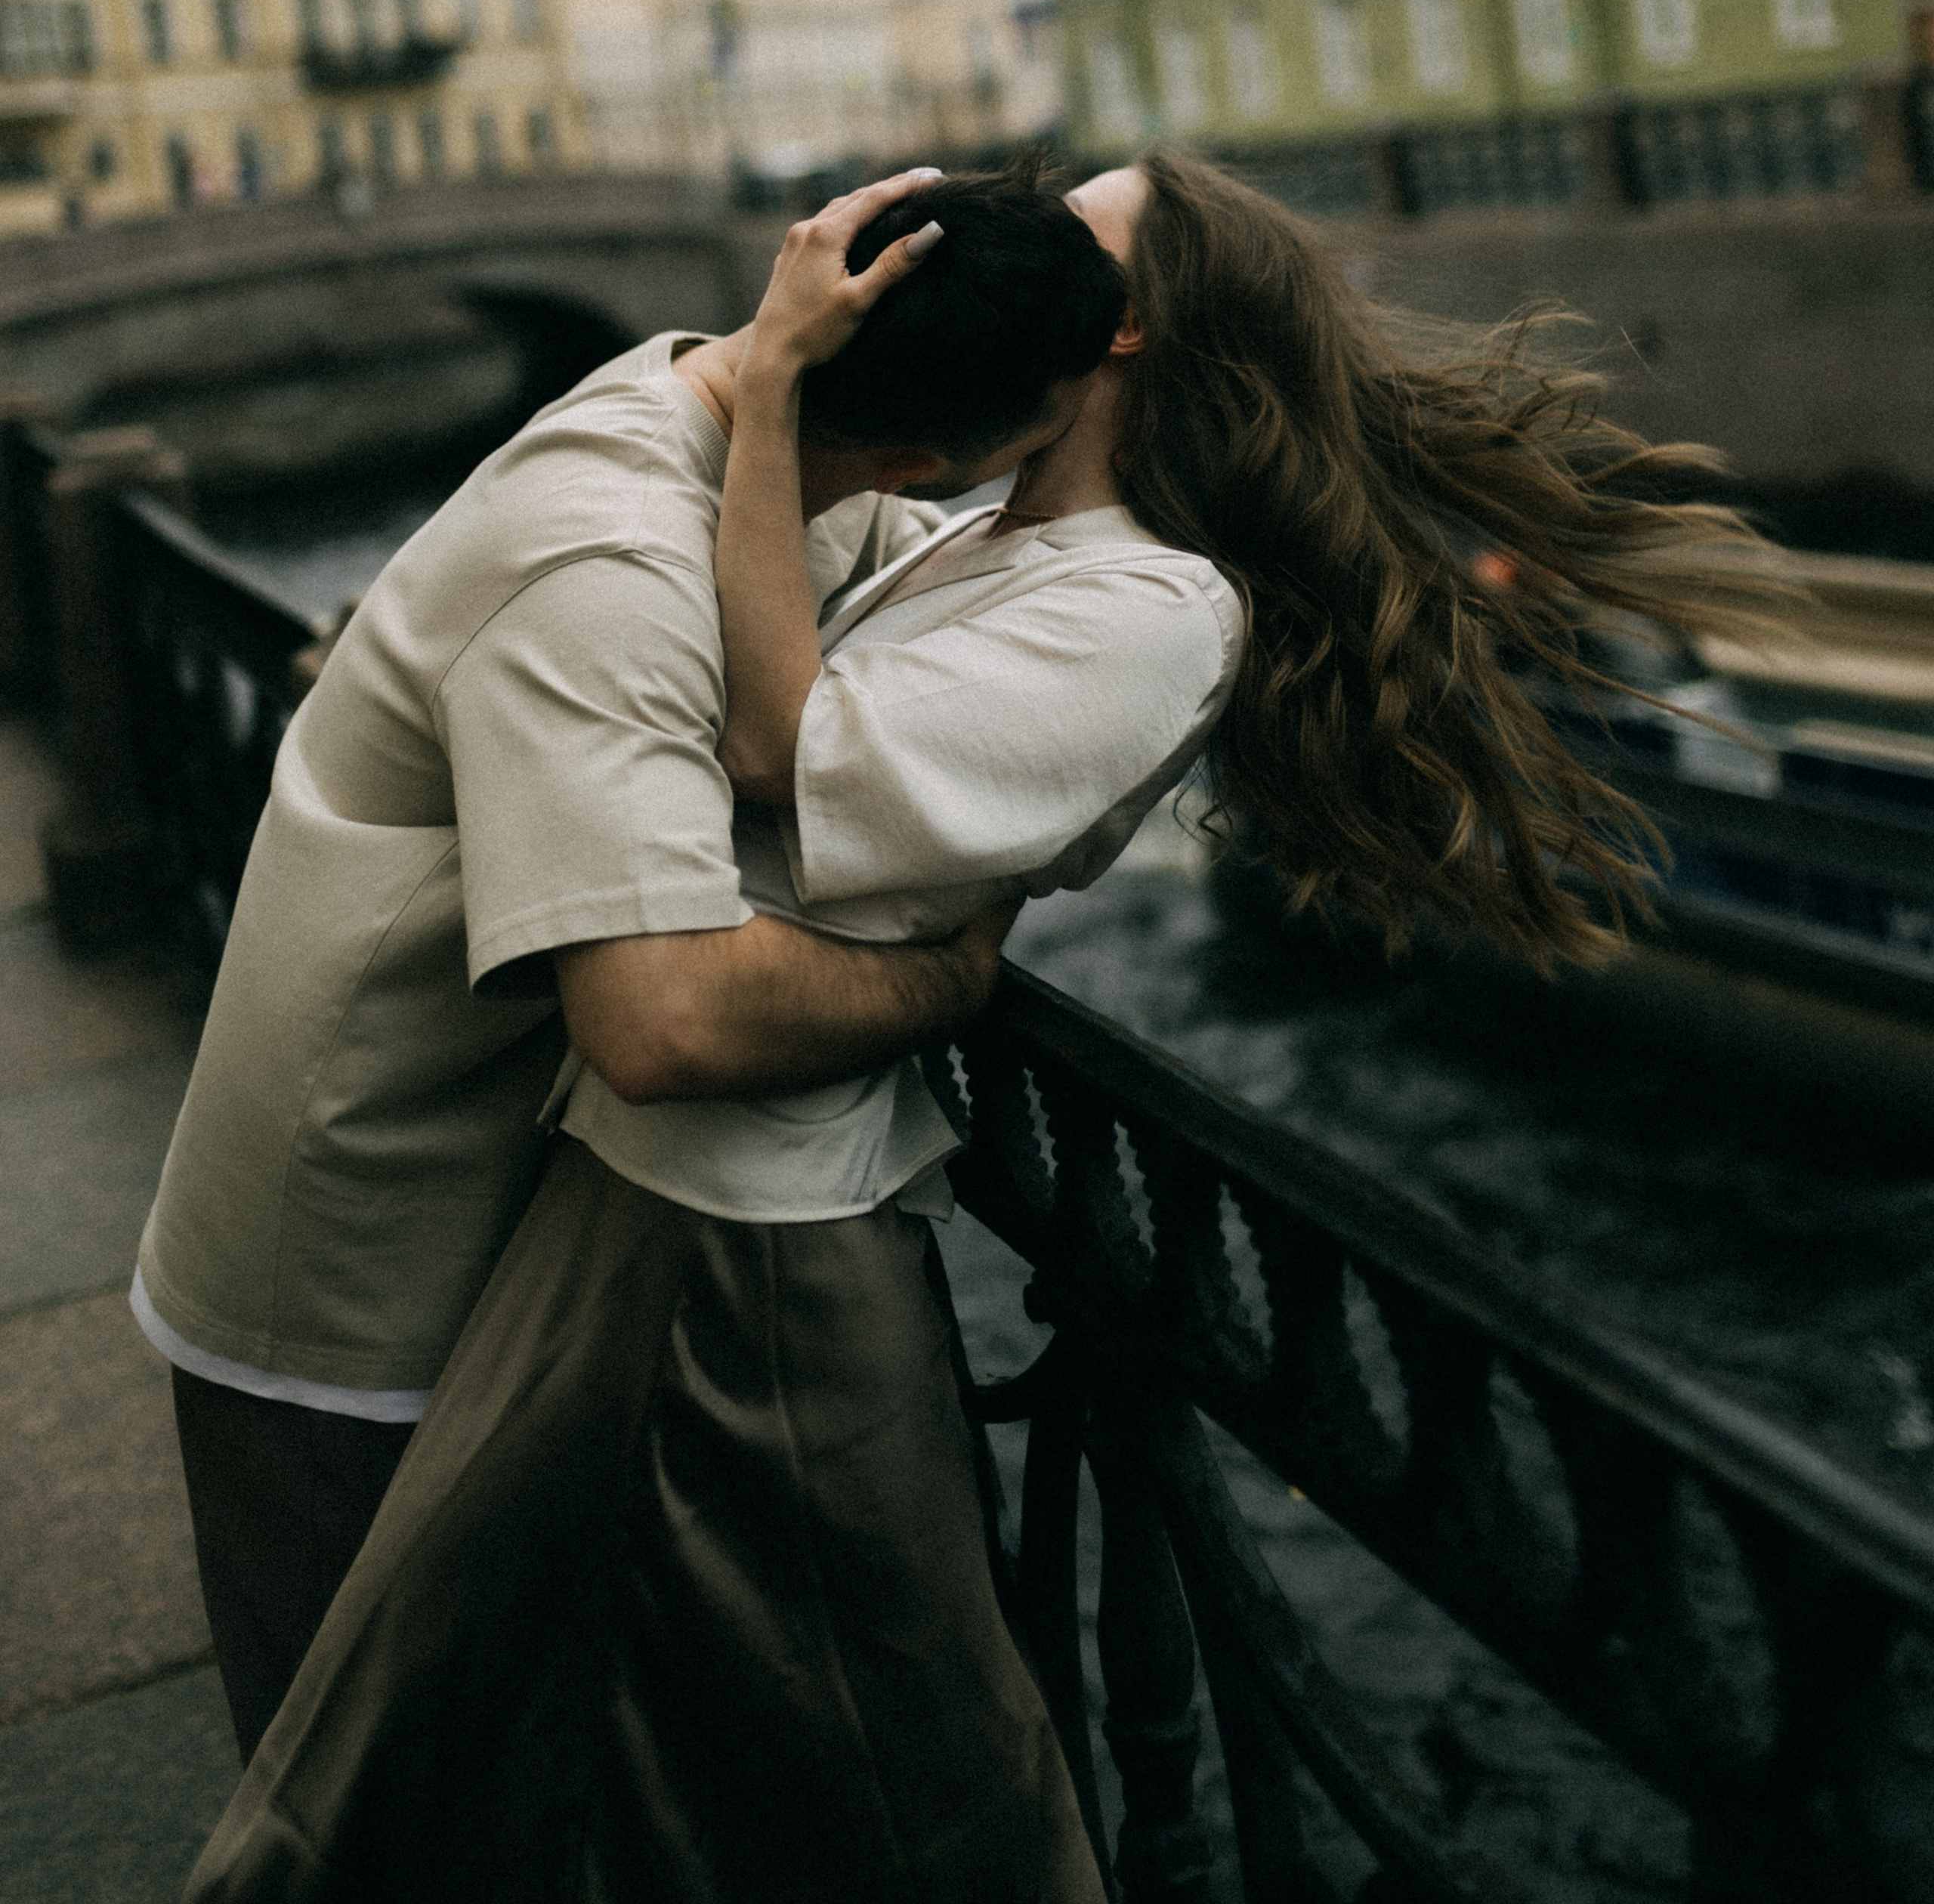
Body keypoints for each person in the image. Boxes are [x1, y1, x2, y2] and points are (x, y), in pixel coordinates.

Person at [183, 147, 1764, 1904]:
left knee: (890, 1771)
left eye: (1056, 234)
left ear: (1122, 336)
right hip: (669, 1186)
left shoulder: (1154, 602)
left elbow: (781, 754)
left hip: (760, 1210)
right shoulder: (957, 529)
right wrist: (757, 390)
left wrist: (774, 391)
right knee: (557, 1725)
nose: (951, 255)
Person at [134, 160, 1128, 1765]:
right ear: (913, 458)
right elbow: (656, 1020)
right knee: (376, 1813)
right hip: (352, 1293)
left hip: (502, 1232)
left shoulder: (730, 398)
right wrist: (949, 982)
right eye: (1024, 465)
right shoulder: (603, 569)